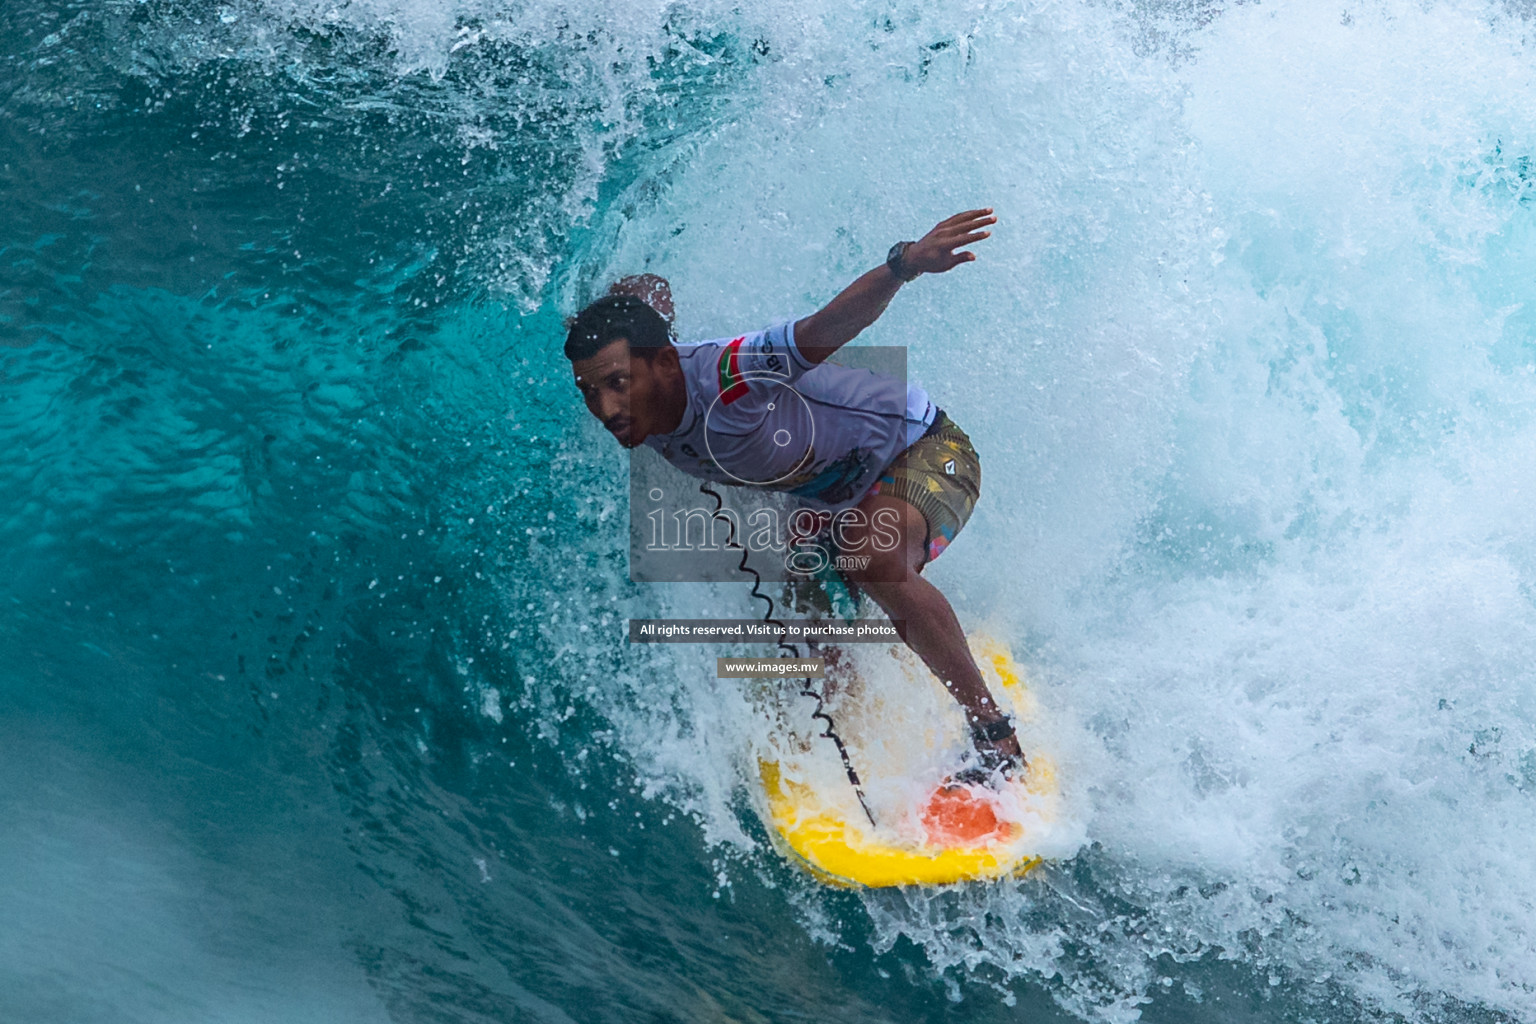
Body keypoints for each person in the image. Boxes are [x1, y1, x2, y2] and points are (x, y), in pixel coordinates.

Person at [565, 209, 1023, 778]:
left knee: (870, 555)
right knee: (817, 637)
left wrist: (903, 264)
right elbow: (651, 296)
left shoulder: (736, 376)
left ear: (661, 366)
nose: (605, 409)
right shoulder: (649, 380)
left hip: (928, 451)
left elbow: (827, 328)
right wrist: (596, 311)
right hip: (830, 501)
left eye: (617, 385)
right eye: (591, 390)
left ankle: (994, 735)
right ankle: (857, 728)